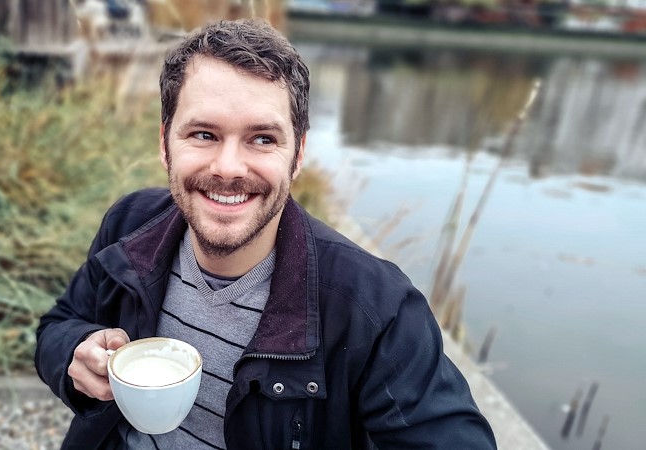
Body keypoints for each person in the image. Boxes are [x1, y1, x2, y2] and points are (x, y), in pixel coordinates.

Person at [35, 19, 497, 450]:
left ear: (297, 155)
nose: (228, 168)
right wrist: (75, 354)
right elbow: (60, 323)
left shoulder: (374, 308)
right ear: (164, 143)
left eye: (262, 139)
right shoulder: (130, 224)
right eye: (203, 134)